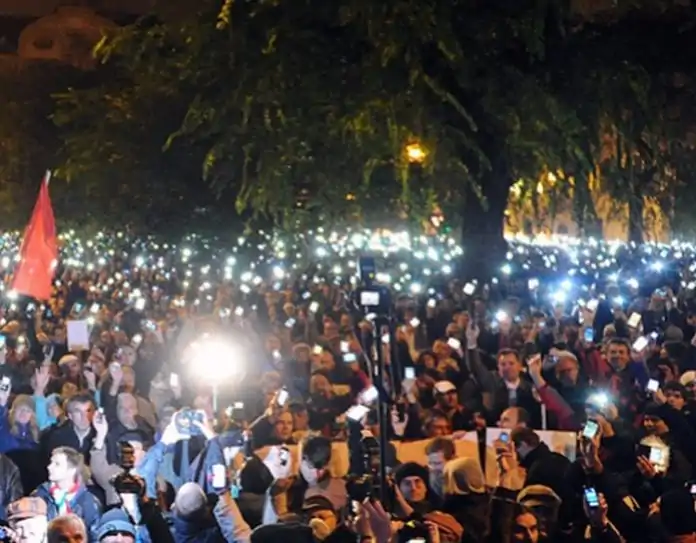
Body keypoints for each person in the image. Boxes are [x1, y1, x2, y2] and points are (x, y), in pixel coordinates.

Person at [32, 447, 102, 534]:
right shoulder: (41, 494)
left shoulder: (88, 501)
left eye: (57, 464)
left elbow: (94, 534)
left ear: (72, 470)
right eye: (51, 462)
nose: (49, 467)